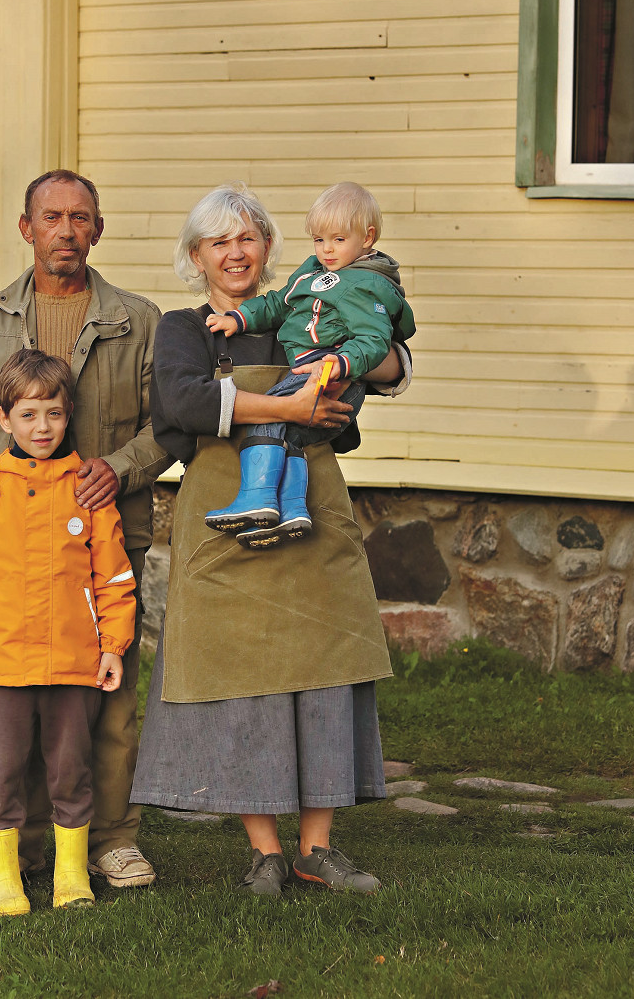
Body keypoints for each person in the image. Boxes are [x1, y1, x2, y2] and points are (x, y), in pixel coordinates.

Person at [131, 183, 411, 898]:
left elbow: (375, 372)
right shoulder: (183, 327)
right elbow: (185, 401)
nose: (235, 253)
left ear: (267, 247)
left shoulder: (298, 308)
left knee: (323, 671)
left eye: (247, 238)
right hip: (222, 517)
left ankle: (318, 848)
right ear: (196, 256)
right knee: (237, 681)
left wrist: (377, 359)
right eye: (218, 242)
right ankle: (265, 851)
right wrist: (294, 406)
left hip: (311, 508)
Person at [0, 169, 171, 895]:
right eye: (52, 217)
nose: (67, 229)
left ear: (98, 229)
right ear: (26, 228)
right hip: (10, 541)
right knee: (17, 706)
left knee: (106, 699)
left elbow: (171, 423)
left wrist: (118, 468)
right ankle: (19, 848)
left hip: (106, 537)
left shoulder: (137, 320)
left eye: (80, 217)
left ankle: (112, 840)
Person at [0, 349, 137, 914]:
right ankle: (4, 877)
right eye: (27, 415)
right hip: (2, 660)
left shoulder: (87, 488)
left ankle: (70, 875)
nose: (42, 427)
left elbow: (114, 576)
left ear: (68, 413)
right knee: (3, 772)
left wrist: (113, 647)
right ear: (4, 420)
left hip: (74, 660)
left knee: (71, 771)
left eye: (53, 413)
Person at [204, 181, 415, 548]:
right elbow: (280, 303)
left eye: (338, 239)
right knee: (289, 437)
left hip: (327, 372)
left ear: (367, 237)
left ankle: (257, 499)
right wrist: (239, 318)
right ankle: (290, 510)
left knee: (269, 421)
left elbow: (375, 341)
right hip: (312, 368)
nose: (327, 249)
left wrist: (340, 363)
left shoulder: (368, 285)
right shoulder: (314, 272)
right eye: (319, 240)